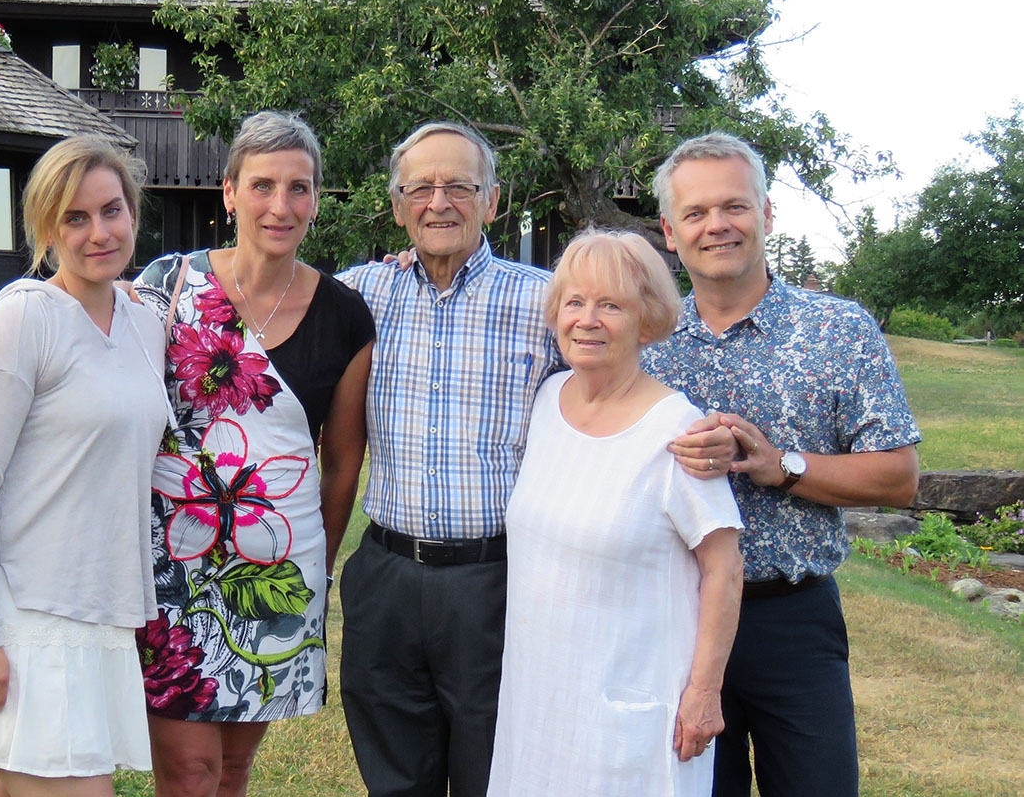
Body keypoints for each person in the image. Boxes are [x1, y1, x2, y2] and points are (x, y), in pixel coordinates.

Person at [335, 122, 734, 797]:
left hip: (494, 583)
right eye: (421, 189)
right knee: (394, 770)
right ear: (398, 206)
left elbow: (632, 368)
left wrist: (716, 433)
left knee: (501, 767)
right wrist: (153, 291)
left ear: (491, 202)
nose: (439, 202)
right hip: (386, 577)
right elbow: (270, 306)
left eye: (459, 186)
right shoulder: (360, 296)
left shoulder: (544, 300)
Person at [641, 131, 921, 797]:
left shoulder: (839, 329)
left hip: (791, 620)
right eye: (696, 213)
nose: (717, 225)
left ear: (766, 215)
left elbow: (899, 475)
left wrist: (782, 465)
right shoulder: (646, 343)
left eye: (734, 206)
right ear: (671, 233)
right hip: (678, 619)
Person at [0, 136, 170, 796]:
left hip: (97, 607)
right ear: (46, 230)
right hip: (24, 615)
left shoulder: (146, 318)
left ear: (133, 212)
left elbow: (245, 284)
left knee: (12, 781)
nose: (99, 232)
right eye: (74, 218)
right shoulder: (23, 320)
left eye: (112, 210)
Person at [130, 111, 374, 797]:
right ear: (230, 192)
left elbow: (342, 461)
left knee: (233, 769)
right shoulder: (168, 284)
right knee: (188, 769)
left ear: (317, 200)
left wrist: (316, 568)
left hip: (277, 566)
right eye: (262, 185)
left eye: (299, 188)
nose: (280, 205)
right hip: (170, 564)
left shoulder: (345, 312)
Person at [486, 228, 744, 796]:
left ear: (646, 318)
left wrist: (705, 693)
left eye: (611, 305)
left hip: (632, 708)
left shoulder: (676, 430)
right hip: (539, 698)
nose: (587, 319)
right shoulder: (548, 400)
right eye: (574, 302)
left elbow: (724, 568)